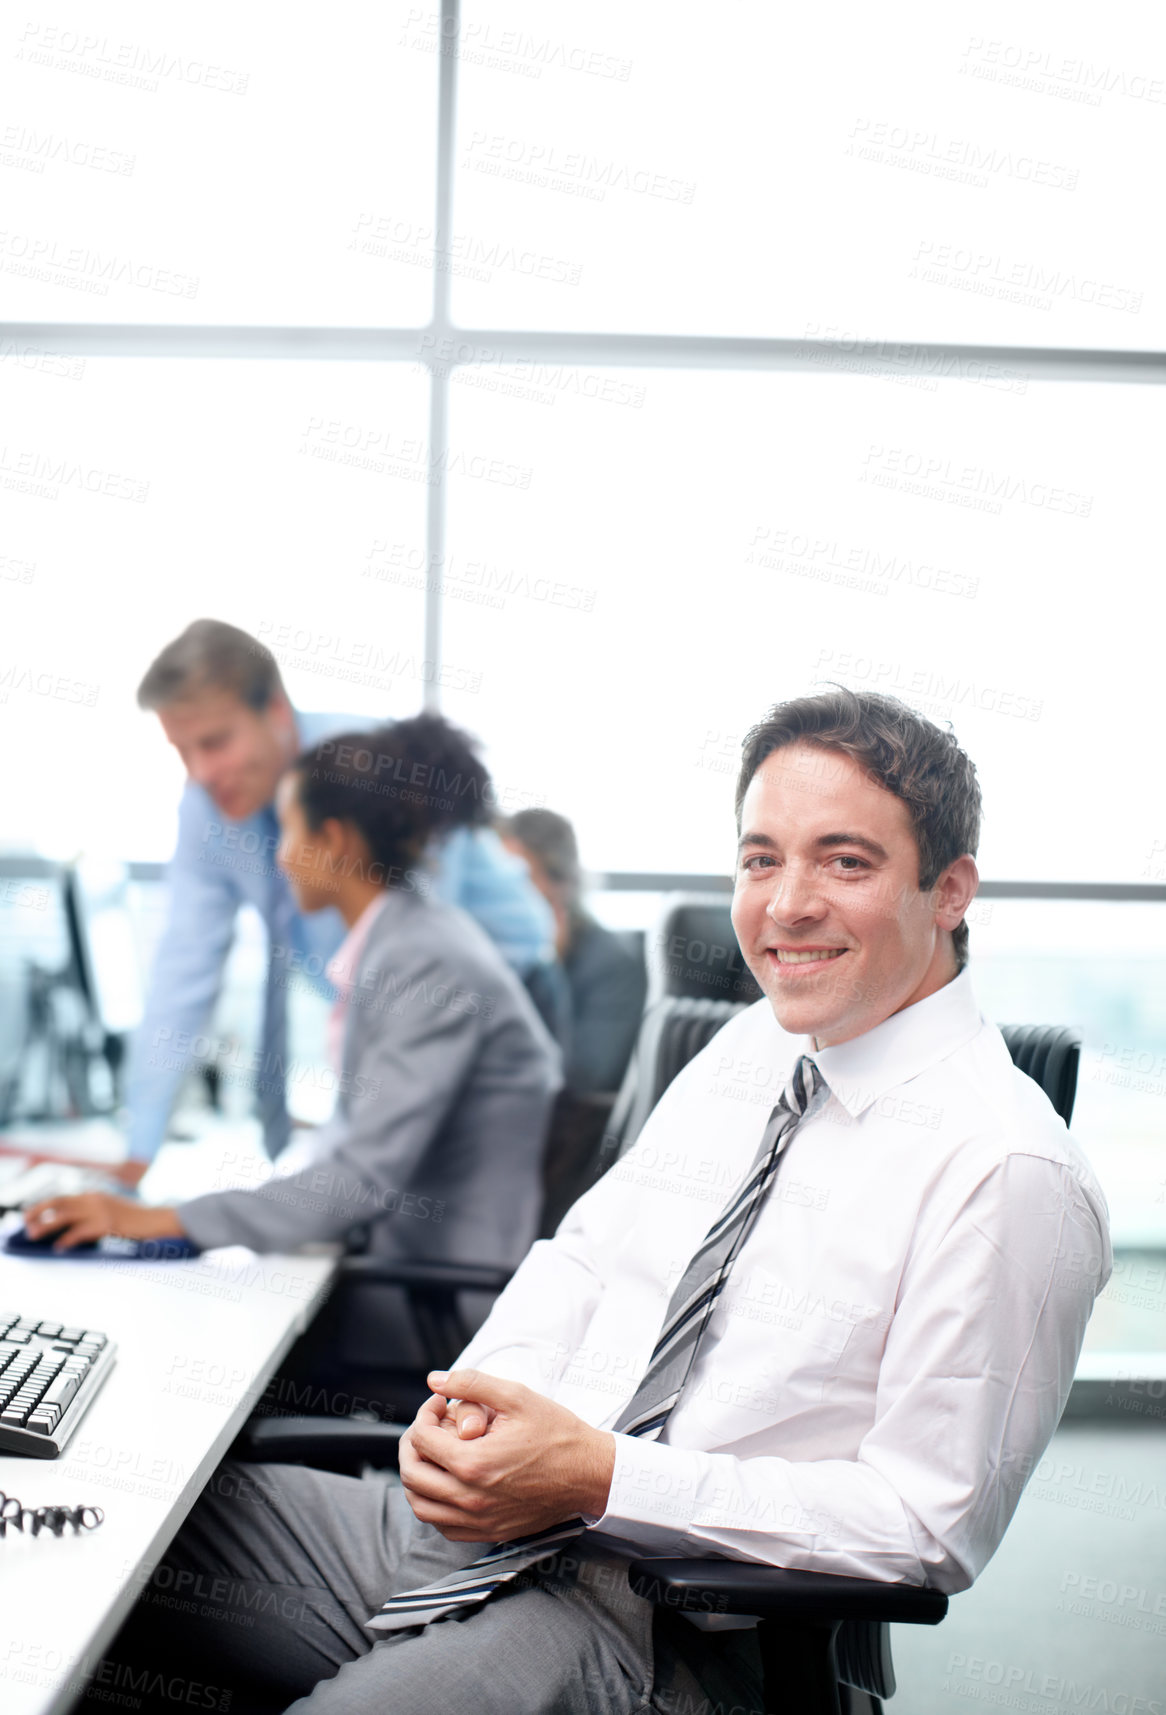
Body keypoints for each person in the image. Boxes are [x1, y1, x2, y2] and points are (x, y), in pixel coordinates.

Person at [90, 690, 1111, 1715]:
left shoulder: (1006, 1170)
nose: (785, 903)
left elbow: (924, 1525)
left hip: (656, 1623)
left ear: (948, 890)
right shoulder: (752, 1044)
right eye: (760, 858)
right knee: (105, 1524)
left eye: (843, 860)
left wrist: (601, 1476)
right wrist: (476, 1406)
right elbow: (581, 1258)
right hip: (482, 1533)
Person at [26, 716, 561, 1264]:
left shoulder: (425, 962)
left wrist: (166, 1218)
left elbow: (359, 1181)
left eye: (288, 830)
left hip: (429, 1293)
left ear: (331, 841)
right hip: (393, 1259)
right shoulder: (402, 941)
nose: (279, 856)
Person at [123, 619, 555, 1171]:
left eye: (214, 742)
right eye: (182, 751)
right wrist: (137, 1154)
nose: (201, 772)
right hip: (401, 1025)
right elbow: (182, 969)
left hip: (502, 1001)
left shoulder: (367, 769)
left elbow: (412, 961)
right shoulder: (206, 809)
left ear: (276, 711)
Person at [500, 808, 646, 1093]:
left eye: (519, 875)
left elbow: (582, 1077)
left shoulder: (613, 965)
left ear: (561, 882)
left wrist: (546, 967)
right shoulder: (498, 950)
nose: (506, 889)